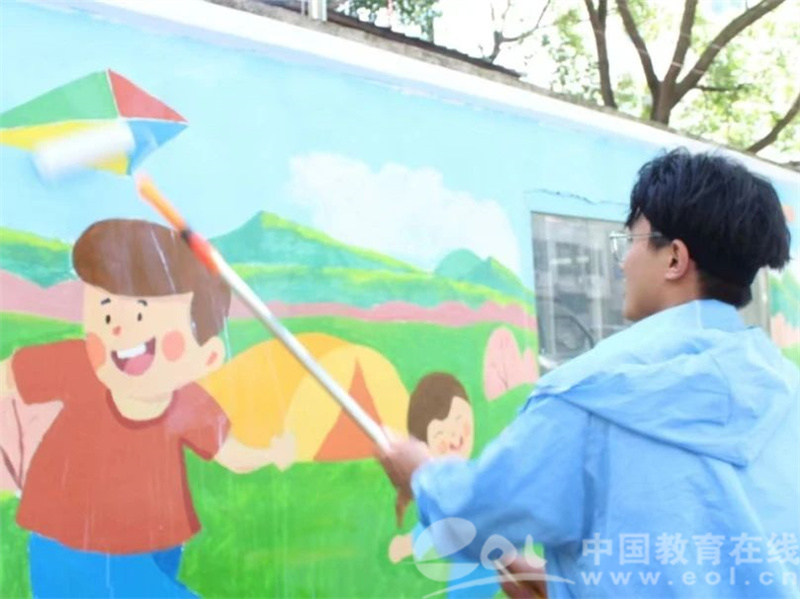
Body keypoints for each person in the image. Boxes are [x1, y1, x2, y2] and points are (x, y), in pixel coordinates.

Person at [378, 148, 799, 598]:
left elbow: (475, 520)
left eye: (632, 242)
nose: (623, 262)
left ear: (675, 259)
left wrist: (421, 476)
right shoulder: (788, 389)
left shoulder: (586, 395)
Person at [0, 219, 295, 599]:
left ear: (207, 357)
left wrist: (272, 452)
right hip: (69, 539)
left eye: (141, 315)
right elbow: (9, 375)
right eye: (106, 314)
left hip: (157, 542)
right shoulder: (76, 366)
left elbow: (230, 453)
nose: (118, 330)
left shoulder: (191, 403)